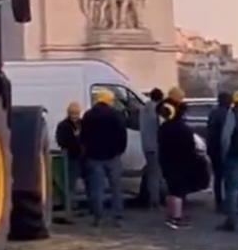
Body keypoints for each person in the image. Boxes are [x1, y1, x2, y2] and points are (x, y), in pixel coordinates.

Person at [80, 90, 128, 226]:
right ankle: (117, 217)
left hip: (94, 156)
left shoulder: (88, 115)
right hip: (113, 155)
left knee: (96, 189)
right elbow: (122, 134)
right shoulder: (116, 115)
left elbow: (83, 136)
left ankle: (98, 217)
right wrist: (120, 150)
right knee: (116, 188)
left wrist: (88, 150)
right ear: (109, 100)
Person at [157, 90, 198, 230]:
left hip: (166, 160)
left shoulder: (163, 128)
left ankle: (170, 216)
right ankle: (176, 218)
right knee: (178, 191)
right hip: (180, 161)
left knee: (171, 189)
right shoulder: (181, 129)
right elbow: (189, 146)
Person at [217, 90, 238, 231]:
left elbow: (226, 136)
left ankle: (231, 221)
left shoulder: (232, 114)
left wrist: (224, 154)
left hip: (234, 156)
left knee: (232, 190)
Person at [206, 92, 233, 213]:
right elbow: (226, 133)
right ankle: (227, 202)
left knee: (217, 176)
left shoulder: (213, 113)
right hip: (222, 147)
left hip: (213, 147)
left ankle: (219, 202)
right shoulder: (227, 114)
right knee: (227, 176)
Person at [139, 88, 164, 208]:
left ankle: (151, 199)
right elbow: (161, 127)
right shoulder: (157, 111)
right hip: (156, 145)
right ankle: (155, 201)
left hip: (146, 144)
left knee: (151, 173)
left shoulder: (143, 109)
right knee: (156, 174)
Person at [55, 102, 86, 200]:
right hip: (72, 156)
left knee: (77, 180)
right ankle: (70, 202)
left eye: (76, 113)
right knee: (70, 181)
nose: (75, 116)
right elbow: (61, 140)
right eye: (73, 113)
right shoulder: (64, 125)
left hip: (82, 156)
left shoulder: (82, 124)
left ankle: (71, 202)